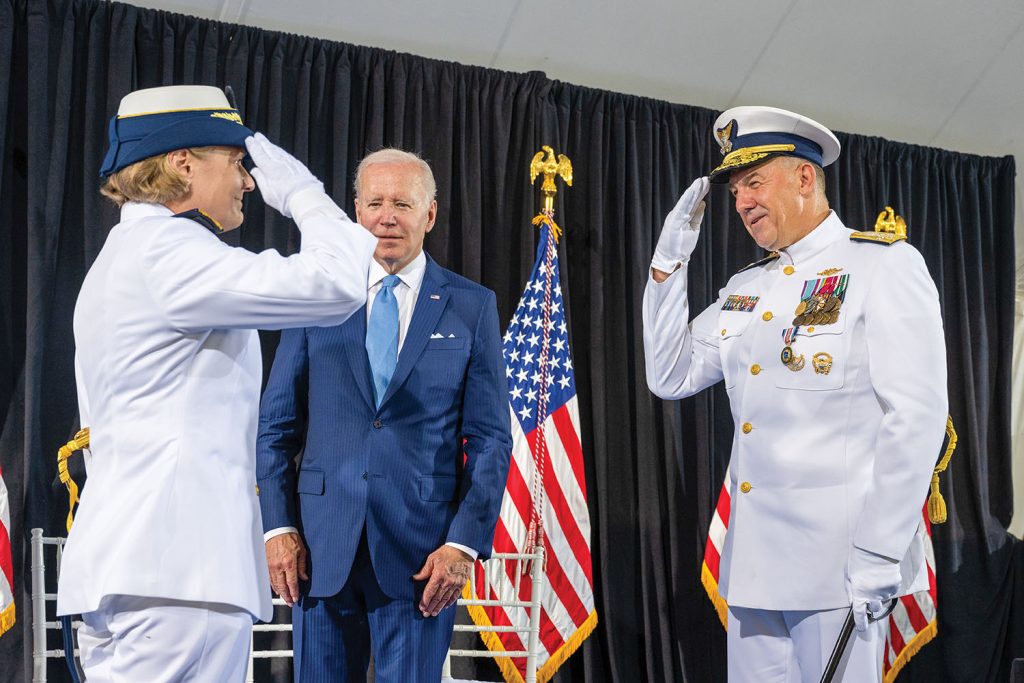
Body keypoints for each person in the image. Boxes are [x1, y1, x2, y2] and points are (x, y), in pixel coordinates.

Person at [56, 84, 377, 682]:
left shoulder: (121, 254)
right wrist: (303, 193)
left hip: (135, 572)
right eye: (234, 161)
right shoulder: (170, 252)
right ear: (182, 163)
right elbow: (338, 283)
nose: (249, 181)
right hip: (180, 578)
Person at [642, 106, 948, 682]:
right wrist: (668, 263)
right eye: (734, 190)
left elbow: (916, 417)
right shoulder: (746, 288)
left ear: (805, 178)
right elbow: (670, 374)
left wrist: (880, 552)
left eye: (754, 182)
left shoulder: (882, 266)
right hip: (754, 567)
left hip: (840, 567)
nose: (741, 202)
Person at [256, 148, 512, 682]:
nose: (386, 217)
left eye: (402, 203)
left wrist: (463, 542)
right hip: (320, 552)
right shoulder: (317, 298)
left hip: (424, 558)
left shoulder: (472, 305)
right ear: (355, 210)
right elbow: (277, 428)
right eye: (374, 203)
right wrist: (277, 525)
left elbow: (490, 438)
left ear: (431, 214)